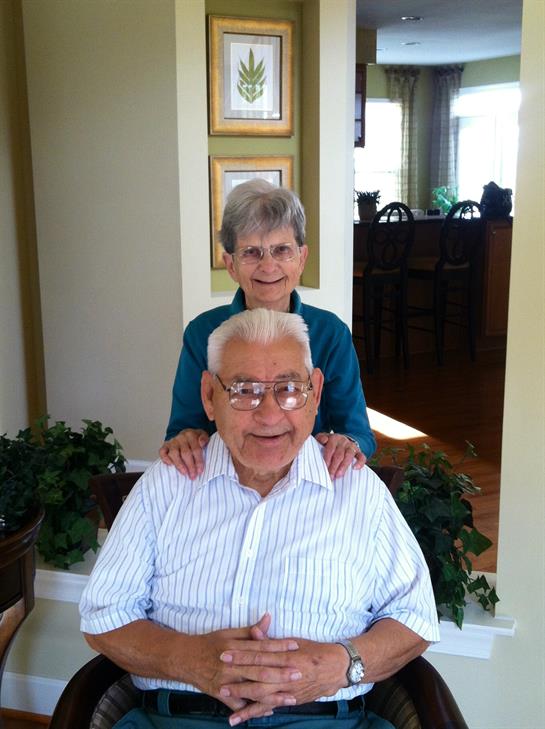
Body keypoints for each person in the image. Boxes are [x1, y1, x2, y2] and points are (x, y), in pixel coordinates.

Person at [80, 308, 439, 729]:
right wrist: (190, 660)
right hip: (177, 720)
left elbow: (414, 619)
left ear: (316, 393)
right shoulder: (168, 484)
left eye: (289, 389)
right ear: (209, 396)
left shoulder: (356, 490)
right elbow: (104, 616)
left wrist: (339, 665)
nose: (269, 415)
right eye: (244, 390)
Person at [160, 179, 376, 481]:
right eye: (251, 252)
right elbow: (181, 428)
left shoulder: (331, 334)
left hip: (306, 485)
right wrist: (185, 440)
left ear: (301, 258)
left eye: (282, 250)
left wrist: (348, 443)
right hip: (225, 484)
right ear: (231, 264)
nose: (268, 266)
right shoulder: (202, 333)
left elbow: (359, 432)